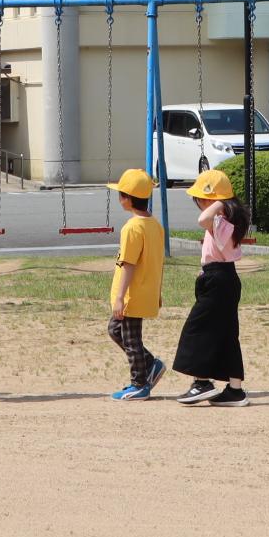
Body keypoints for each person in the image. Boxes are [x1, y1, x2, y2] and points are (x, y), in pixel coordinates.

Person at [172, 168, 251, 406]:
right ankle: (235, 390)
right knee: (227, 334)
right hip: (220, 277)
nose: (198, 203)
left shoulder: (220, 219)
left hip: (219, 280)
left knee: (197, 330)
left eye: (201, 198)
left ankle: (202, 383)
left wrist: (219, 203)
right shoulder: (226, 219)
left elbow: (202, 220)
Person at [108, 168, 168, 401]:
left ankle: (139, 383)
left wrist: (120, 297)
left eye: (121, 194)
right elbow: (158, 262)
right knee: (115, 330)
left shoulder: (132, 228)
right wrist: (158, 291)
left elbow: (129, 264)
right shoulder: (154, 225)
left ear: (127, 198)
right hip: (145, 291)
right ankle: (151, 364)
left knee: (132, 340)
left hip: (133, 293)